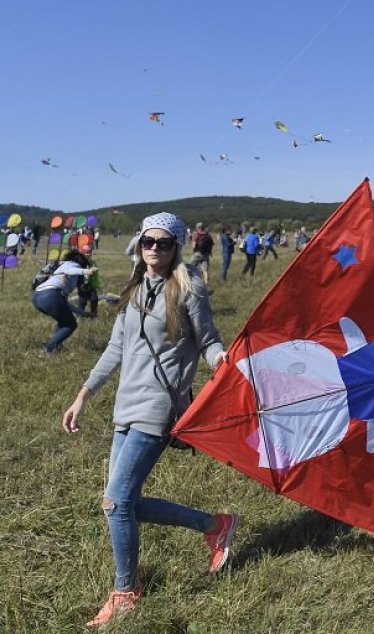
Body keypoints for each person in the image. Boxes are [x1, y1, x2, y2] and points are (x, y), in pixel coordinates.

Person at [61, 212, 236, 627]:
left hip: (159, 408)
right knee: (124, 503)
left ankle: (125, 593)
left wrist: (221, 361)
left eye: (163, 242)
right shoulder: (136, 287)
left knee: (115, 502)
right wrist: (83, 395)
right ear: (140, 244)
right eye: (148, 241)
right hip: (125, 406)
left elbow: (209, 340)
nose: (154, 248)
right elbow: (115, 349)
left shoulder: (189, 288)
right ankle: (214, 525)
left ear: (177, 246)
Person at [32, 251, 97, 353]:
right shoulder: (73, 265)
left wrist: (83, 313)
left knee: (64, 321)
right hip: (51, 295)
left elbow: (64, 304)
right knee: (71, 324)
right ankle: (48, 348)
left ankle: (56, 345)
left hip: (37, 297)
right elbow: (70, 271)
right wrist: (87, 271)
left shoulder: (62, 268)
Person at [76, 244, 102, 318]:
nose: (88, 254)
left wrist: (97, 285)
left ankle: (94, 315)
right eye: (86, 252)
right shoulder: (80, 264)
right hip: (82, 286)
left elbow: (96, 276)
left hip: (91, 286)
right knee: (82, 302)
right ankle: (79, 316)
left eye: (90, 252)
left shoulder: (93, 263)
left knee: (94, 299)